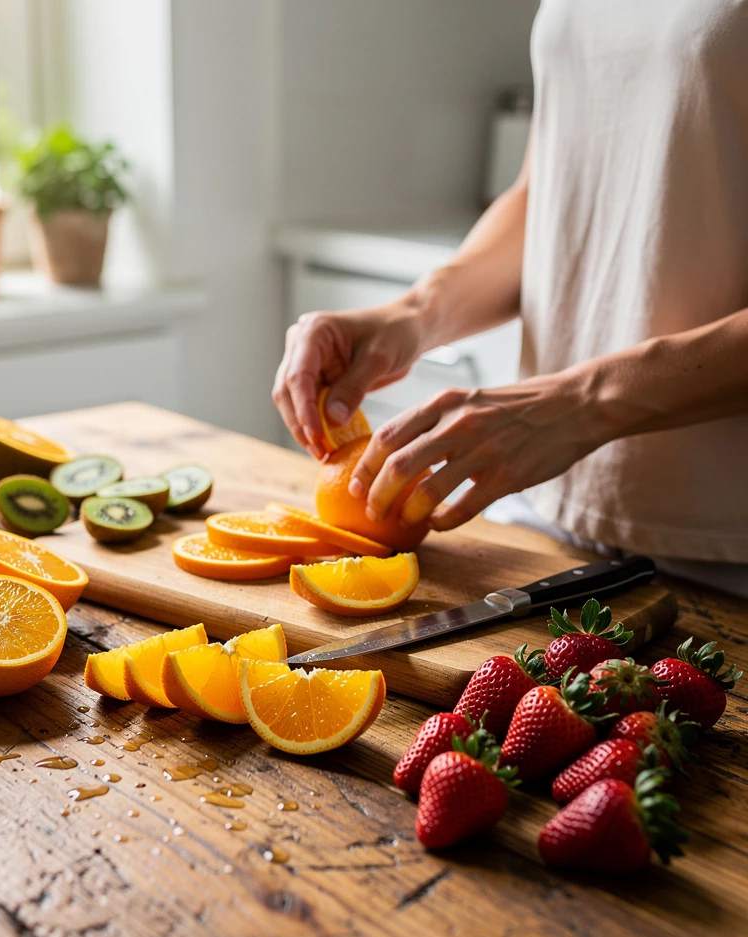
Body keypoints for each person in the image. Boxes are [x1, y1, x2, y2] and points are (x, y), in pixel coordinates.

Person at [272, 0, 748, 597]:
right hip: (551, 518)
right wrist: (412, 315)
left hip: (726, 546)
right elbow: (545, 196)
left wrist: (582, 401)